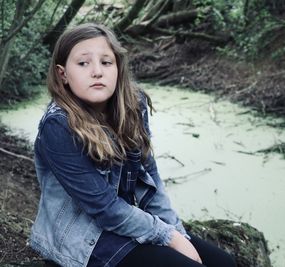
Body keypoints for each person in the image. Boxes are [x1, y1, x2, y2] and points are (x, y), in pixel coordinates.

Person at [29, 23, 237, 267]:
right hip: (82, 242)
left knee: (223, 263)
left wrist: (177, 230)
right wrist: (168, 236)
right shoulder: (58, 126)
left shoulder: (132, 105)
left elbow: (150, 176)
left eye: (106, 62)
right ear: (63, 74)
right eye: (83, 63)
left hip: (123, 226)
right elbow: (104, 208)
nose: (97, 71)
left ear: (118, 68)